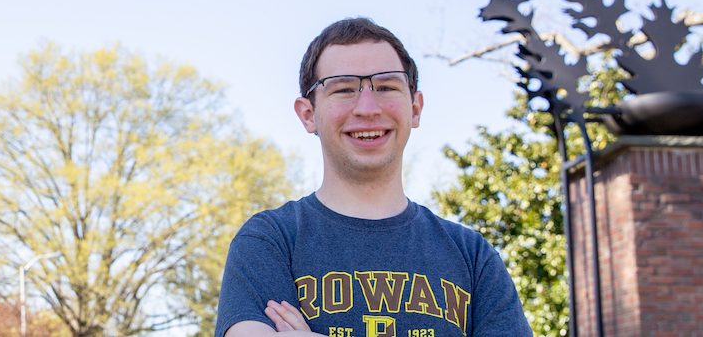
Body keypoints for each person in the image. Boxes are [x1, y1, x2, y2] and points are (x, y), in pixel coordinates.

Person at [215, 17, 532, 337]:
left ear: (415, 108)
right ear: (309, 115)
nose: (367, 108)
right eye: (343, 89)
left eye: (386, 87)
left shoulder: (472, 256)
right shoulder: (269, 241)